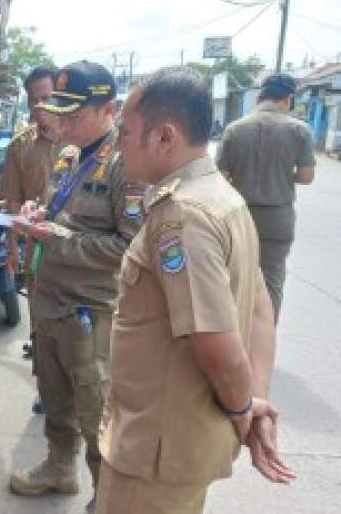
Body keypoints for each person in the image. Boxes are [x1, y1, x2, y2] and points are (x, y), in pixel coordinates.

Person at [98, 67, 296, 514]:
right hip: (180, 441)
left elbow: (214, 340)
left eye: (126, 133)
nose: (117, 144)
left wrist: (244, 406)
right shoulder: (223, 197)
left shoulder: (182, 214)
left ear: (164, 137)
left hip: (156, 450)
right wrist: (254, 399)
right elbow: (260, 310)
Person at [9, 62, 146, 511]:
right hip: (50, 301)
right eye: (58, 113)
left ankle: (106, 497)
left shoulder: (127, 165)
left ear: (108, 109)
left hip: (92, 310)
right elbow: (59, 210)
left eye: (72, 115)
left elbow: (131, 247)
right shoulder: (69, 155)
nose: (60, 124)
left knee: (96, 410)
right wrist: (36, 212)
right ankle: (59, 468)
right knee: (55, 397)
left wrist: (59, 237)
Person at [217, 73, 315, 323]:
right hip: (277, 218)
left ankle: (235, 344)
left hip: (238, 215)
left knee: (234, 278)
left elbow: (221, 177)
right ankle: (264, 349)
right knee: (271, 281)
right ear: (288, 99)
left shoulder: (234, 129)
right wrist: (281, 176)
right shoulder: (299, 130)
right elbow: (306, 176)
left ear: (260, 96)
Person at [0, 66, 63, 414]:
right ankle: (46, 389)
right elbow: (11, 204)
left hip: (77, 253)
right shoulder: (20, 146)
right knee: (39, 322)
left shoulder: (80, 142)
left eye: (47, 98)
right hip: (37, 253)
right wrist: (13, 251)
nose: (40, 106)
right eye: (34, 99)